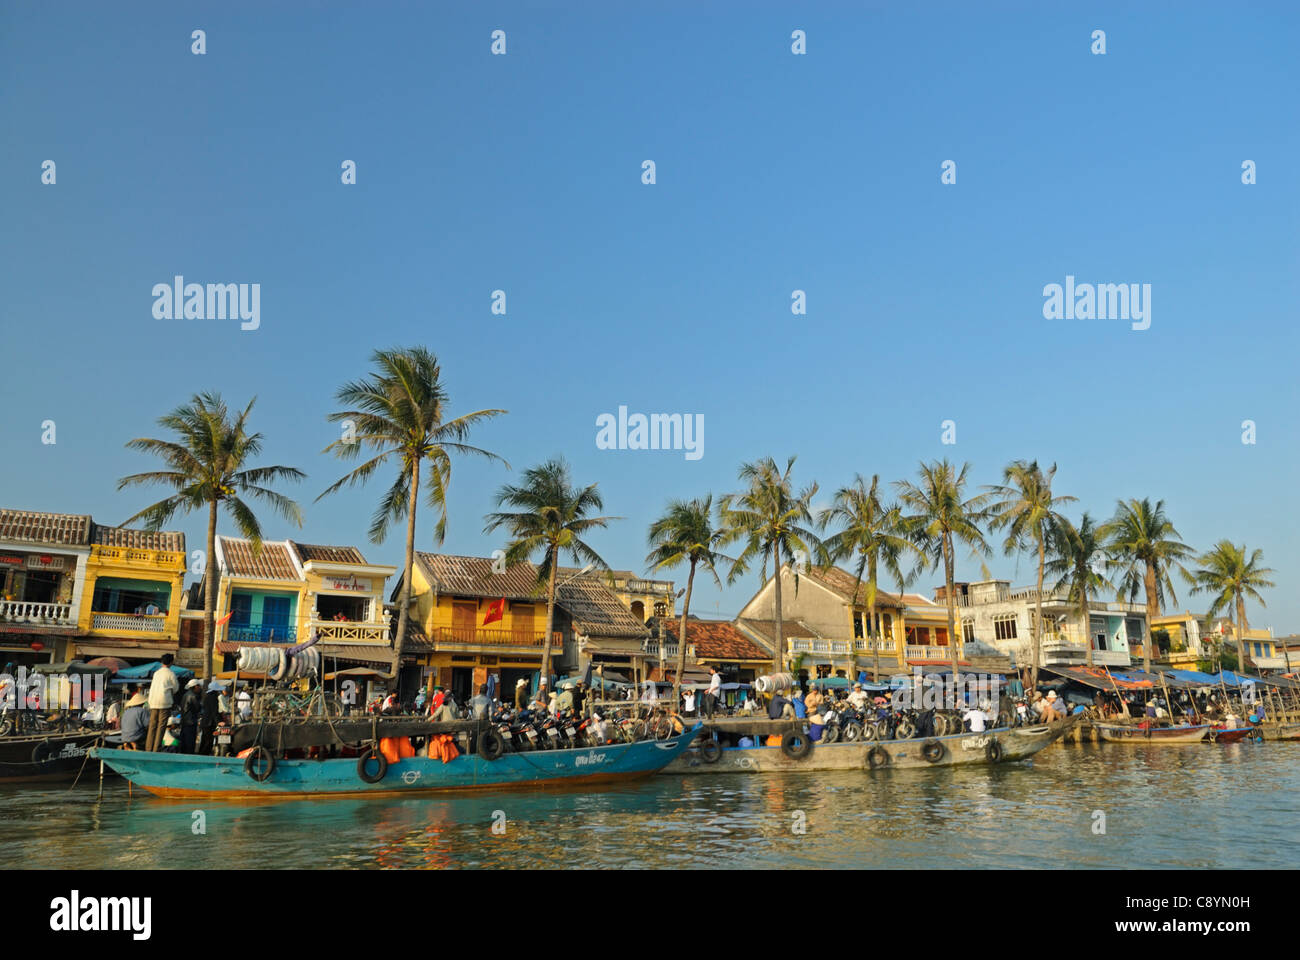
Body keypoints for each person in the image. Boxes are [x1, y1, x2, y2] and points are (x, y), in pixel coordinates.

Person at [145, 654, 179, 752]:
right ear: (171, 662)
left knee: (152, 726)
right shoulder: (171, 673)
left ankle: (148, 748)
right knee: (161, 727)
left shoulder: (156, 673)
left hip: (153, 701)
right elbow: (176, 688)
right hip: (165, 702)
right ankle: (156, 749)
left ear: (162, 662)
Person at [198, 680, 223, 755]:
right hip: (209, 723)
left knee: (204, 741)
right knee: (208, 741)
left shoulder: (207, 697)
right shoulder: (213, 698)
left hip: (205, 722)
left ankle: (201, 755)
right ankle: (204, 756)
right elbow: (214, 711)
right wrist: (219, 721)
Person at [180, 679, 202, 754]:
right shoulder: (193, 696)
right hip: (191, 721)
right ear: (195, 686)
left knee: (184, 740)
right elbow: (198, 708)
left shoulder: (185, 694)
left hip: (184, 721)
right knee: (190, 741)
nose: (200, 688)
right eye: (199, 686)